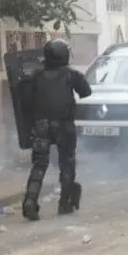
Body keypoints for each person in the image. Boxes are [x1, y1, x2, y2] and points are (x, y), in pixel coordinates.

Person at [20, 38, 91, 221]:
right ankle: (65, 203)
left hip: (41, 125)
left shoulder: (35, 75)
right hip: (64, 125)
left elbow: (25, 103)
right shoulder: (71, 75)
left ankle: (30, 200)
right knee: (67, 163)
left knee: (39, 165)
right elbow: (86, 91)